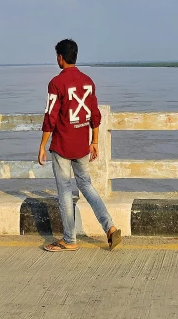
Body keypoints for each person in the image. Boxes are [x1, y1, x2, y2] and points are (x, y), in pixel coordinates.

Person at [38, 38, 121, 252]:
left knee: (65, 191)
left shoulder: (56, 83)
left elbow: (50, 117)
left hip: (63, 146)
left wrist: (42, 145)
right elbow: (95, 115)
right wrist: (94, 141)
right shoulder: (88, 82)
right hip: (82, 145)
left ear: (60, 57)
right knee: (87, 186)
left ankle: (69, 239)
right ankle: (109, 227)